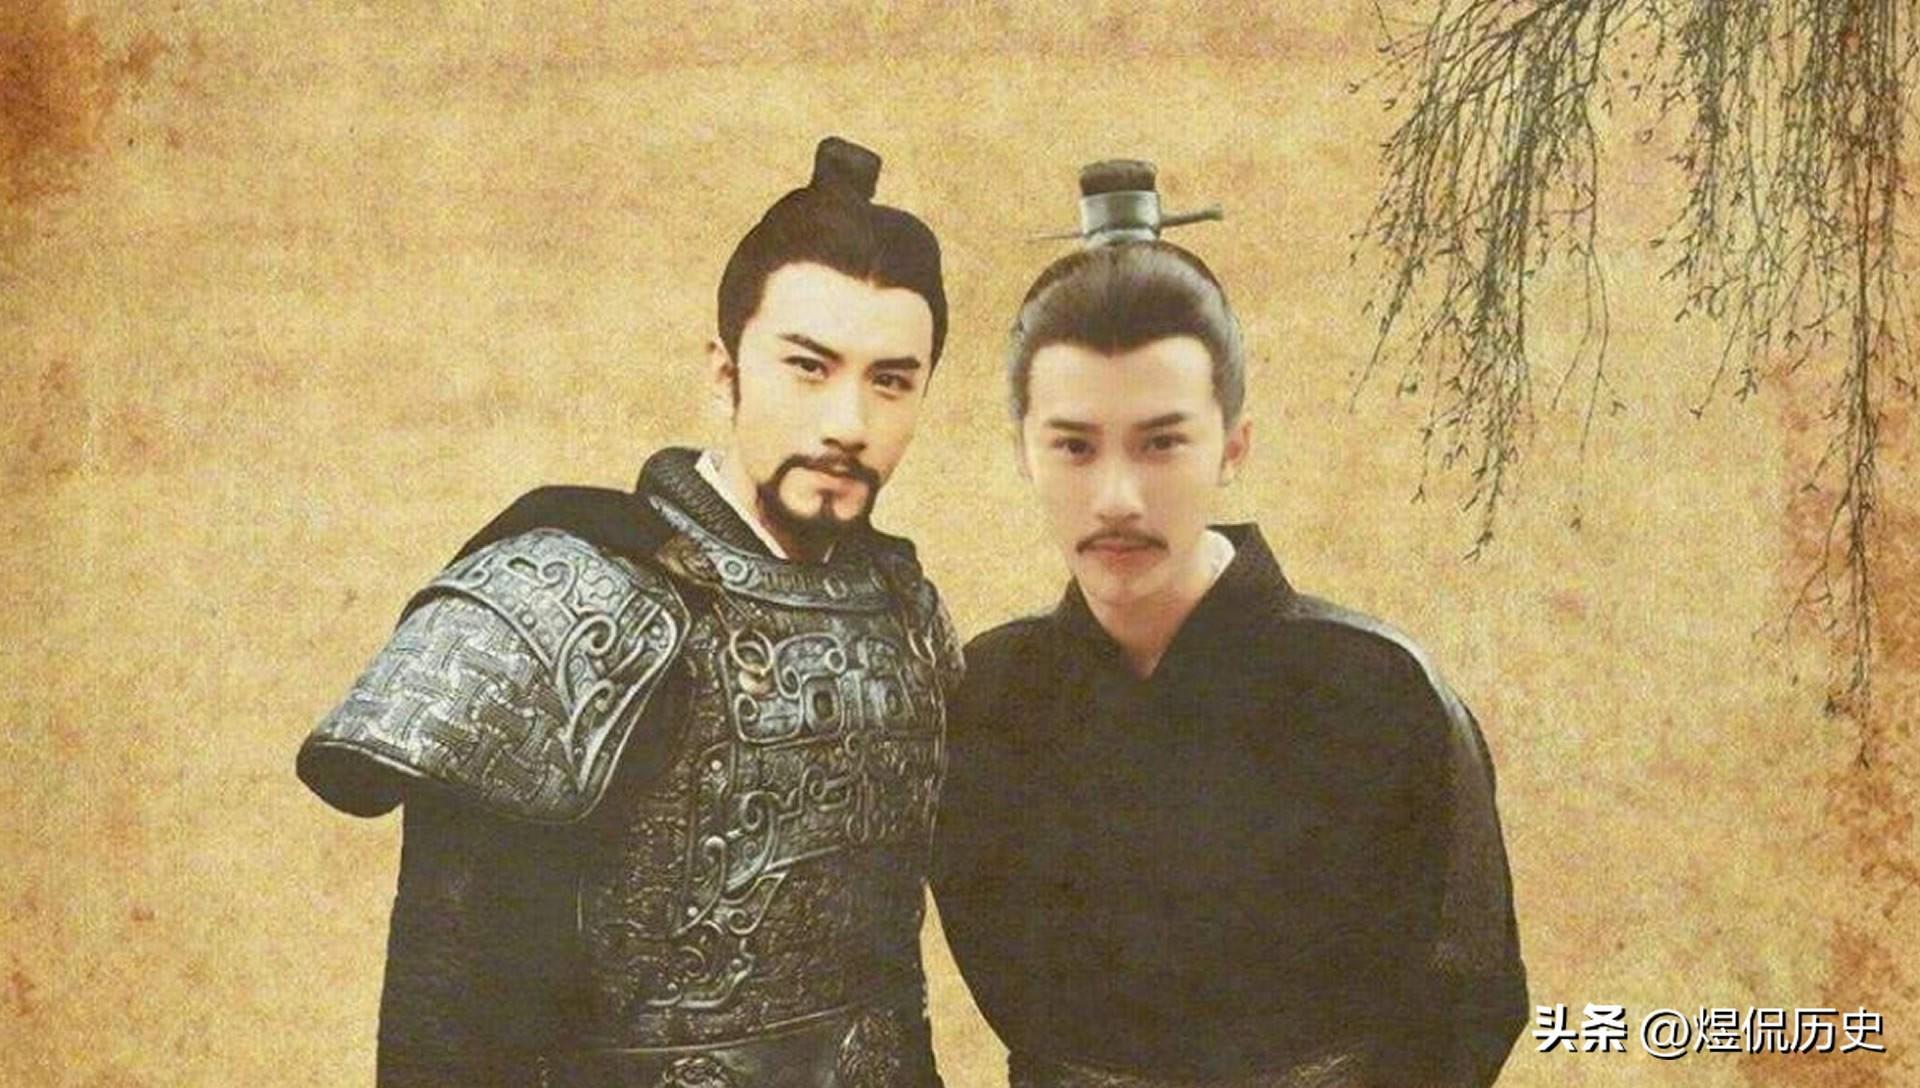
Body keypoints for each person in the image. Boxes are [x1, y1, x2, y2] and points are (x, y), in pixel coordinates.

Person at [298, 137, 962, 1088]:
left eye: (890, 379)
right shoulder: (572, 600)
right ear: (725, 373)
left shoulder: (907, 615)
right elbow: (444, 1023)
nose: (848, 423)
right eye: (809, 367)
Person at [931, 160, 1527, 1088]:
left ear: (1233, 445)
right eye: (1074, 446)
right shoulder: (988, 699)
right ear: (1023, 453)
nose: (1117, 496)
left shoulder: (1379, 689)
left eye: (1162, 442)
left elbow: (1471, 1001)